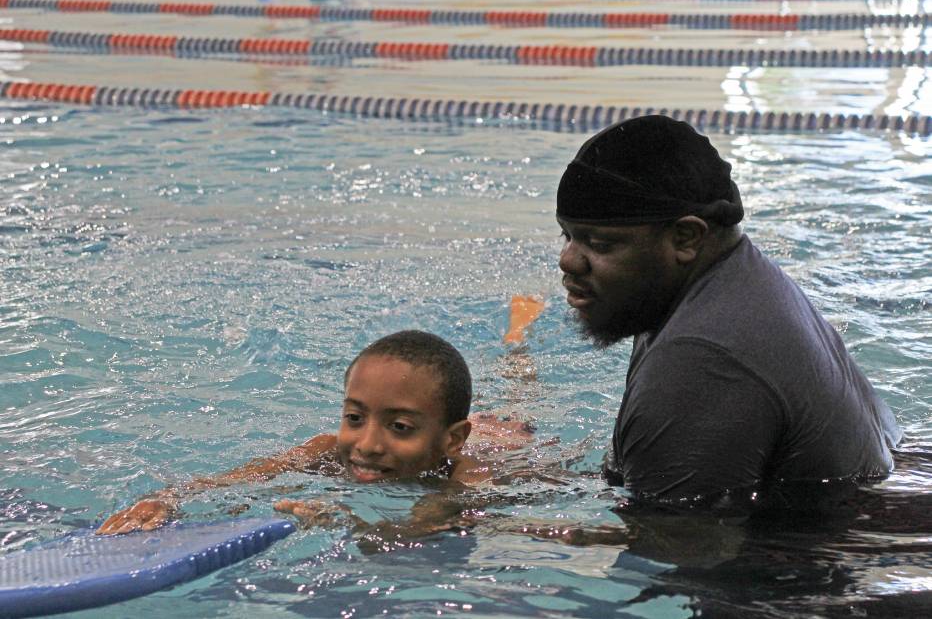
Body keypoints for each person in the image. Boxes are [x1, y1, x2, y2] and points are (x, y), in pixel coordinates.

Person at [556, 115, 903, 510]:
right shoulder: (728, 282)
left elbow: (673, 557)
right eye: (567, 235)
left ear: (686, 237)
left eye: (599, 243)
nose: (568, 261)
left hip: (807, 558)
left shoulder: (700, 358)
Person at [97, 312, 544, 536]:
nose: (366, 444)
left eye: (399, 427)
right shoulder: (327, 449)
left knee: (519, 399)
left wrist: (348, 523)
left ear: (451, 440)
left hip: (502, 437)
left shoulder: (470, 474)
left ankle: (517, 341)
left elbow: (425, 525)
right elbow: (240, 481)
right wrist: (169, 500)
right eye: (355, 417)